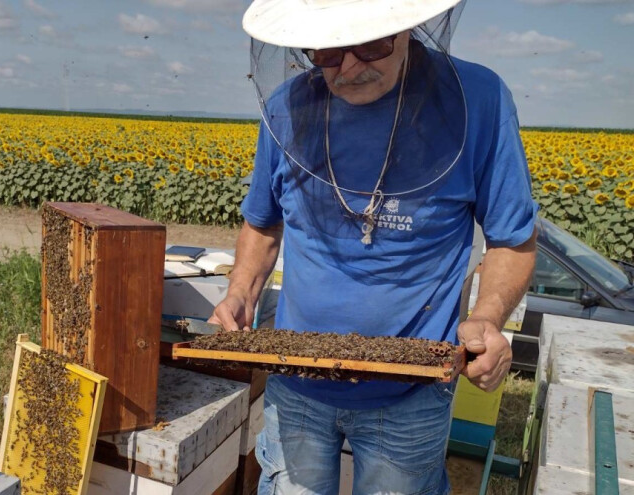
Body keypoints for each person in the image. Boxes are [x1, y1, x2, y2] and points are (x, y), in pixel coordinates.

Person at [208, 0, 538, 493]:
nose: (351, 68)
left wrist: (487, 318)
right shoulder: (285, 109)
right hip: (296, 385)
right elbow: (262, 223)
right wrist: (240, 293)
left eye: (370, 44)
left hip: (411, 394)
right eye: (328, 53)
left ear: (406, 26)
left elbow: (512, 238)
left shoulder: (479, 101)